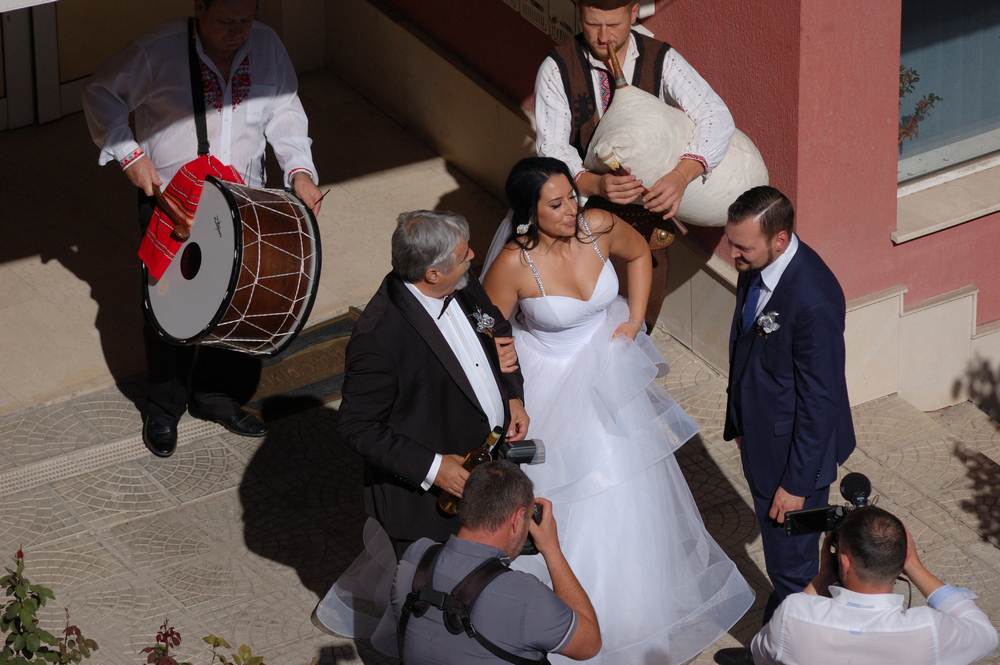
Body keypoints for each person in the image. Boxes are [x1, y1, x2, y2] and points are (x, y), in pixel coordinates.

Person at [482, 157, 754, 664]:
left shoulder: (599, 225)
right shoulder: (513, 265)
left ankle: (627, 611)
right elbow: (488, 330)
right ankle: (551, 615)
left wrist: (635, 319)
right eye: (557, 204)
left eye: (572, 196)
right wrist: (511, 390)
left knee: (627, 485)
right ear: (529, 213)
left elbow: (641, 254)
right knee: (562, 491)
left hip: (608, 369)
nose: (572, 210)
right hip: (549, 383)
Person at [83, 0, 324, 457]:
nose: (239, 31)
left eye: (246, 20)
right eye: (226, 22)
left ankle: (216, 398)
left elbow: (285, 112)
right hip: (174, 203)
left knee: (239, 301)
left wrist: (299, 171)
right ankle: (163, 408)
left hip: (244, 199)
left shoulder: (267, 45)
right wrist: (130, 155)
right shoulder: (157, 49)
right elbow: (100, 93)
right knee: (169, 310)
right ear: (199, 9)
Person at [337, 210, 529, 557]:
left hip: (488, 479)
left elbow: (497, 328)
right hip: (428, 509)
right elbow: (358, 426)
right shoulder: (378, 337)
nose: (473, 257)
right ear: (432, 273)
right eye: (463, 255)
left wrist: (512, 395)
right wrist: (436, 468)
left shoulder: (461, 281)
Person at [533, 0, 735, 328]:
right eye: (592, 24)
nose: (603, 38)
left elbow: (715, 114)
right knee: (582, 317)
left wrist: (682, 175)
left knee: (637, 318)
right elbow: (552, 149)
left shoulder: (661, 58)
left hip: (645, 215)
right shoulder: (558, 68)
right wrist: (595, 184)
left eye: (614, 25)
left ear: (633, 12)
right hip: (580, 208)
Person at [722, 186, 857, 624]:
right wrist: (741, 420)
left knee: (793, 568)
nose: (733, 256)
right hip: (763, 441)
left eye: (743, 248)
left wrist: (797, 485)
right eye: (731, 243)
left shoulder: (813, 299)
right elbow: (749, 347)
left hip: (795, 464)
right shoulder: (757, 263)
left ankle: (794, 646)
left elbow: (821, 400)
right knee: (785, 563)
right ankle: (770, 642)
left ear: (779, 240)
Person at [715, 507, 999, 665]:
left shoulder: (793, 615)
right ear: (903, 558)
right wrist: (916, 567)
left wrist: (821, 578)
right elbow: (987, 635)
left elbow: (759, 654)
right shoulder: (928, 630)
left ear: (844, 562)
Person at [393, 460, 602, 664]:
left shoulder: (416, 556)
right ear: (518, 519)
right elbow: (589, 644)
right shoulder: (528, 596)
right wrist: (552, 550)